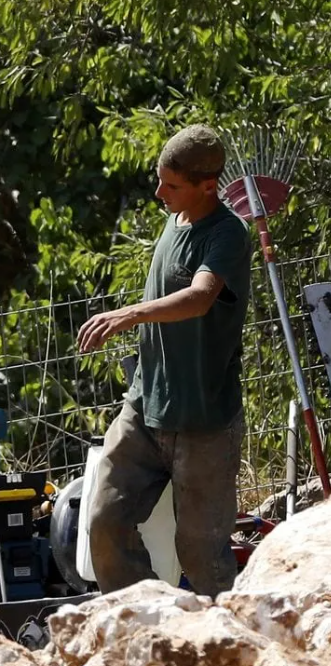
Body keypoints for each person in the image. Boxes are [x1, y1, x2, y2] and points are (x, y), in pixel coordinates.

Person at [76, 124, 252, 597]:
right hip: (144, 411)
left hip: (204, 424)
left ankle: (225, 641)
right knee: (103, 523)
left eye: (171, 185)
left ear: (207, 186)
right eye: (159, 180)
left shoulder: (228, 236)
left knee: (202, 554)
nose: (159, 193)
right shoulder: (175, 218)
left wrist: (128, 314)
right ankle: (146, 623)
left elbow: (198, 298)